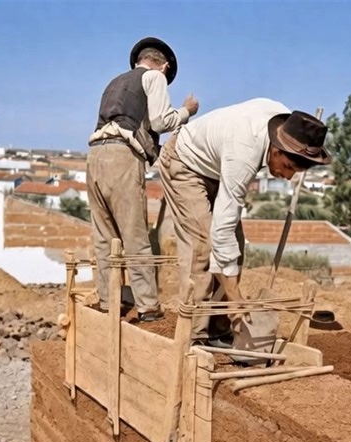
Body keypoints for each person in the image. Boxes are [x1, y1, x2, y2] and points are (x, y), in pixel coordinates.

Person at [158, 98, 331, 343]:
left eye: (296, 172)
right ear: (276, 149)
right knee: (203, 246)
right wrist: (235, 297)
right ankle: (193, 338)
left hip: (217, 168)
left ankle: (220, 329)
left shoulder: (287, 125)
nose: (288, 176)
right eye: (288, 166)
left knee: (235, 247)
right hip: (184, 163)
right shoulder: (245, 149)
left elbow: (227, 235)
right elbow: (221, 229)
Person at [87, 37, 199, 321]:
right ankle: (148, 306)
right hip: (122, 158)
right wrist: (186, 111)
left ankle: (106, 300)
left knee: (105, 237)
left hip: (94, 156)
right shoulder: (154, 78)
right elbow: (161, 121)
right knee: (135, 234)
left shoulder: (114, 82)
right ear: (164, 66)